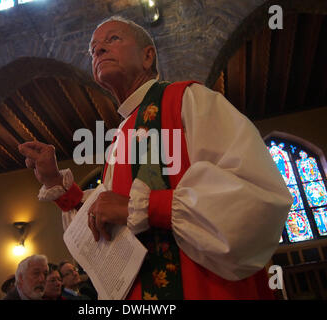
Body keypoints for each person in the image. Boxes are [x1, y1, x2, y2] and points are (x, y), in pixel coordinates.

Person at [18, 16, 293, 299]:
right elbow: (105, 216)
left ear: (148, 56)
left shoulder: (189, 100)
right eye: (93, 48)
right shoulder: (122, 136)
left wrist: (148, 206)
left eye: (112, 39)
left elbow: (257, 198)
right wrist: (56, 182)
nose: (98, 50)